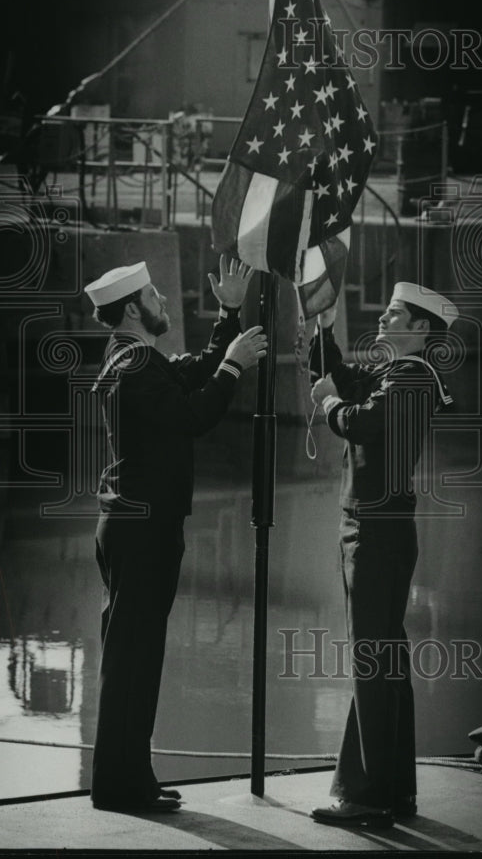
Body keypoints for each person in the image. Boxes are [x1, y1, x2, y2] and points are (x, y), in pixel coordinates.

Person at [84, 256, 267, 813]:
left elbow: (193, 372)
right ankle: (119, 786)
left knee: (136, 657)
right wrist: (234, 368)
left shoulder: (135, 357)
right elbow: (194, 414)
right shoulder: (135, 363)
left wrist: (229, 313)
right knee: (132, 659)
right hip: (141, 530)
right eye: (156, 296)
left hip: (137, 524)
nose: (164, 302)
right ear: (134, 307)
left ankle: (129, 778)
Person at [309, 281, 458, 827]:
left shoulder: (412, 377)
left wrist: (327, 405)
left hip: (373, 532)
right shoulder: (400, 375)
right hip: (381, 530)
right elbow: (344, 380)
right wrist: (323, 330)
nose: (382, 317)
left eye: (393, 313)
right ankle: (394, 791)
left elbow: (361, 419)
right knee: (387, 664)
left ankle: (368, 799)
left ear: (420, 329)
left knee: (373, 666)